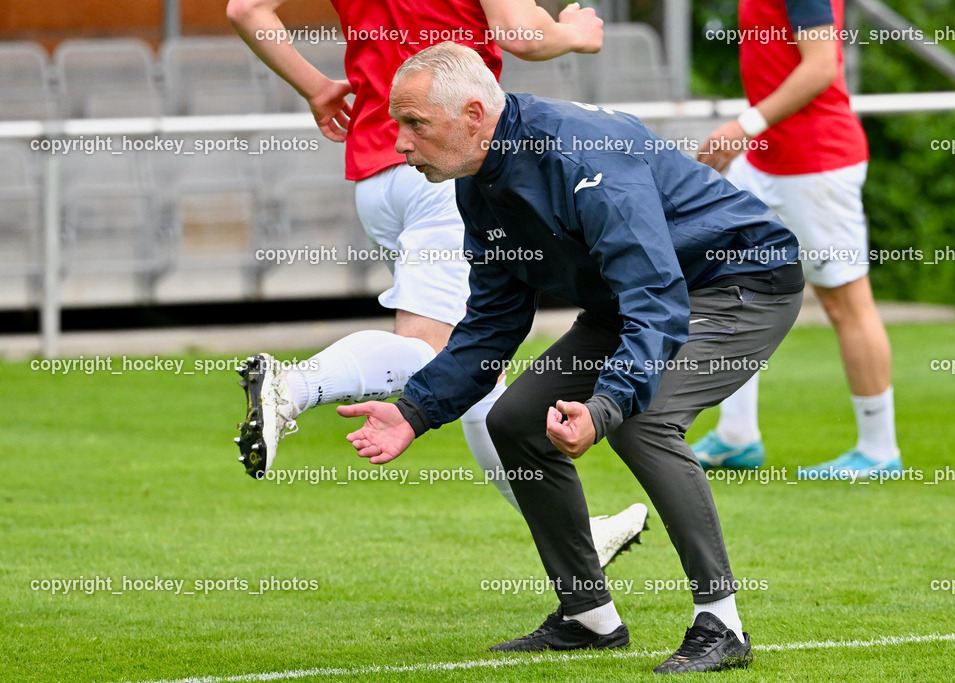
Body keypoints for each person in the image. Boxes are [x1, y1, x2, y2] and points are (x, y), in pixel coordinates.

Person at [339, 42, 805, 674]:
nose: (399, 143)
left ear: (474, 115)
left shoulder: (583, 154)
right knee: (512, 420)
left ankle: (721, 622)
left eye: (414, 123)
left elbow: (656, 298)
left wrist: (607, 404)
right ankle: (588, 616)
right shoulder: (479, 187)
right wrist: (414, 412)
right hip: (638, 297)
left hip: (739, 281)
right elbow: (494, 323)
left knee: (643, 419)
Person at [226, 0, 648, 566]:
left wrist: (316, 87)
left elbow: (245, 9)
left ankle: (575, 533)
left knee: (475, 367)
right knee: (437, 352)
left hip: (378, 175)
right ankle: (293, 388)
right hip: (442, 161)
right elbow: (521, 35)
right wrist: (573, 32)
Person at [693, 0, 901, 480]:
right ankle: (737, 434)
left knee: (845, 302)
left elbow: (821, 66)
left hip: (816, 163)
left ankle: (878, 450)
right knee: (730, 287)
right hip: (765, 163)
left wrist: (742, 128)